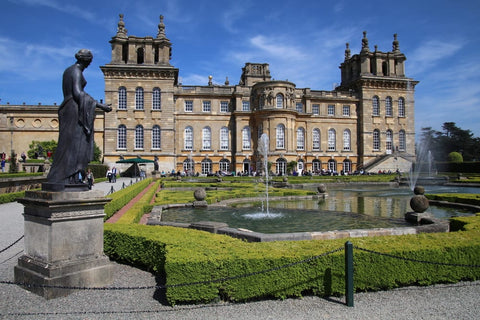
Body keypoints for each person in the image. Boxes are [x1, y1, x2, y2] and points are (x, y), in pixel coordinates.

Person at [45, 49, 112, 190]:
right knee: (73, 144)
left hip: (73, 109)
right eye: (90, 61)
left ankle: (72, 177)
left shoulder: (70, 70)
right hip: (74, 110)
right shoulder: (75, 71)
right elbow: (77, 93)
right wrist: (101, 106)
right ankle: (66, 177)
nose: (90, 64)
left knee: (74, 144)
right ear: (86, 60)